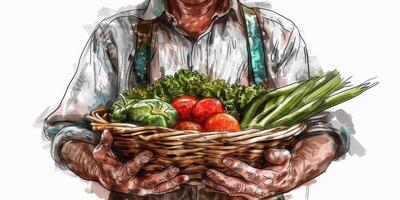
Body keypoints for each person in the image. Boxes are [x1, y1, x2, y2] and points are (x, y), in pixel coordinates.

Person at [44, 0, 349, 199]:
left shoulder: (275, 35)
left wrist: (291, 174)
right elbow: (69, 130)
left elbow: (322, 131)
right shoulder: (117, 34)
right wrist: (100, 171)